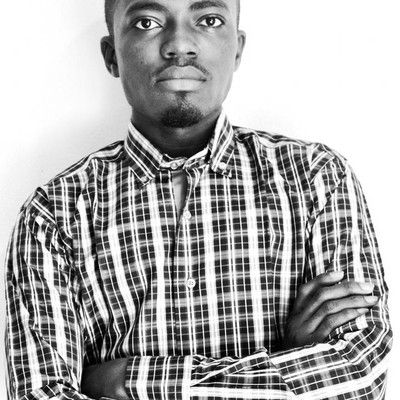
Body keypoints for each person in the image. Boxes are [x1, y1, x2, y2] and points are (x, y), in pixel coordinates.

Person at [5, 0, 392, 399]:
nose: (179, 45)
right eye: (147, 22)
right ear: (111, 55)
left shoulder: (316, 178)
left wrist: (126, 381)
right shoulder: (52, 216)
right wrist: (292, 366)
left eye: (208, 20)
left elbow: (360, 376)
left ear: (237, 49)